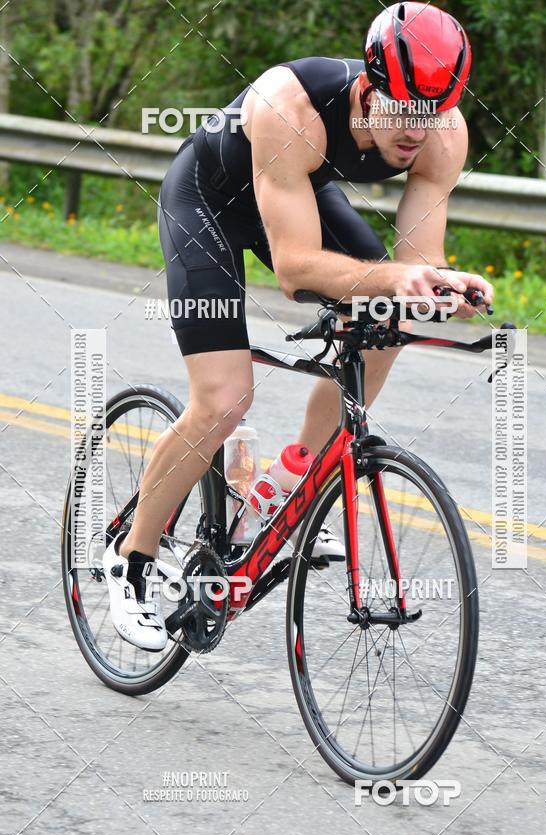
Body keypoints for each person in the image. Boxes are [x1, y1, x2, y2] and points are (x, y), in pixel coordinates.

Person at [103, 1, 494, 651]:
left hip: (294, 193)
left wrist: (443, 287)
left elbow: (417, 262)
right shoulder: (292, 107)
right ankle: (131, 561)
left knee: (389, 317)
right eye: (404, 110)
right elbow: (294, 269)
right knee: (224, 400)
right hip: (208, 201)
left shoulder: (441, 133)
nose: (417, 131)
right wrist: (399, 280)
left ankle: (283, 484)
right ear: (367, 89)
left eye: (433, 114)